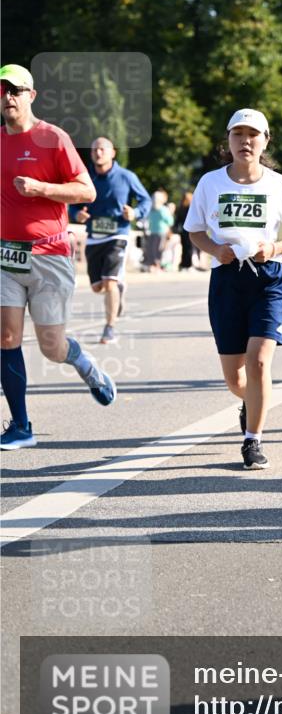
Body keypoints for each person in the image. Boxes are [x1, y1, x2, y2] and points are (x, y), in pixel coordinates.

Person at [184, 108, 282, 470]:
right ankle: (251, 401)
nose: (245, 141)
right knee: (235, 377)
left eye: (253, 134)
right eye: (238, 134)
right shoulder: (210, 183)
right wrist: (214, 250)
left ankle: (252, 440)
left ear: (265, 140)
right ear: (228, 141)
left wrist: (273, 248)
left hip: (267, 278)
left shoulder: (279, 184)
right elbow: (194, 230)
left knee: (258, 362)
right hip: (226, 280)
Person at [0, 64, 116, 449]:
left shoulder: (53, 138)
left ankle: (84, 364)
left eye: (15, 90)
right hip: (6, 258)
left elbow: (87, 192)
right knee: (6, 337)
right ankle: (21, 426)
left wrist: (40, 188)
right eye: (2, 91)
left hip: (50, 256)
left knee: (52, 346)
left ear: (31, 95)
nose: (8, 97)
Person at [71, 137, 151, 343]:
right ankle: (119, 286)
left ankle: (110, 328)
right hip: (94, 237)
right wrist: (76, 214)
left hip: (118, 234)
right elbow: (71, 202)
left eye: (102, 149)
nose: (98, 153)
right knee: (98, 287)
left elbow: (145, 200)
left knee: (110, 282)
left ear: (113, 152)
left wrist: (136, 212)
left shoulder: (126, 177)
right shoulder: (85, 178)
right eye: (94, 150)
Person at [143, 189, 173, 271]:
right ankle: (158, 265)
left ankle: (153, 265)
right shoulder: (163, 209)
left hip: (152, 231)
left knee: (152, 249)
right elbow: (170, 221)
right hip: (162, 232)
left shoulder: (151, 209)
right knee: (159, 249)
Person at [174, 191, 195, 270]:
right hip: (188, 231)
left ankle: (184, 264)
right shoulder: (189, 208)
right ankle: (187, 265)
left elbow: (177, 221)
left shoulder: (181, 208)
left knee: (185, 248)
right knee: (188, 248)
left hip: (183, 231)